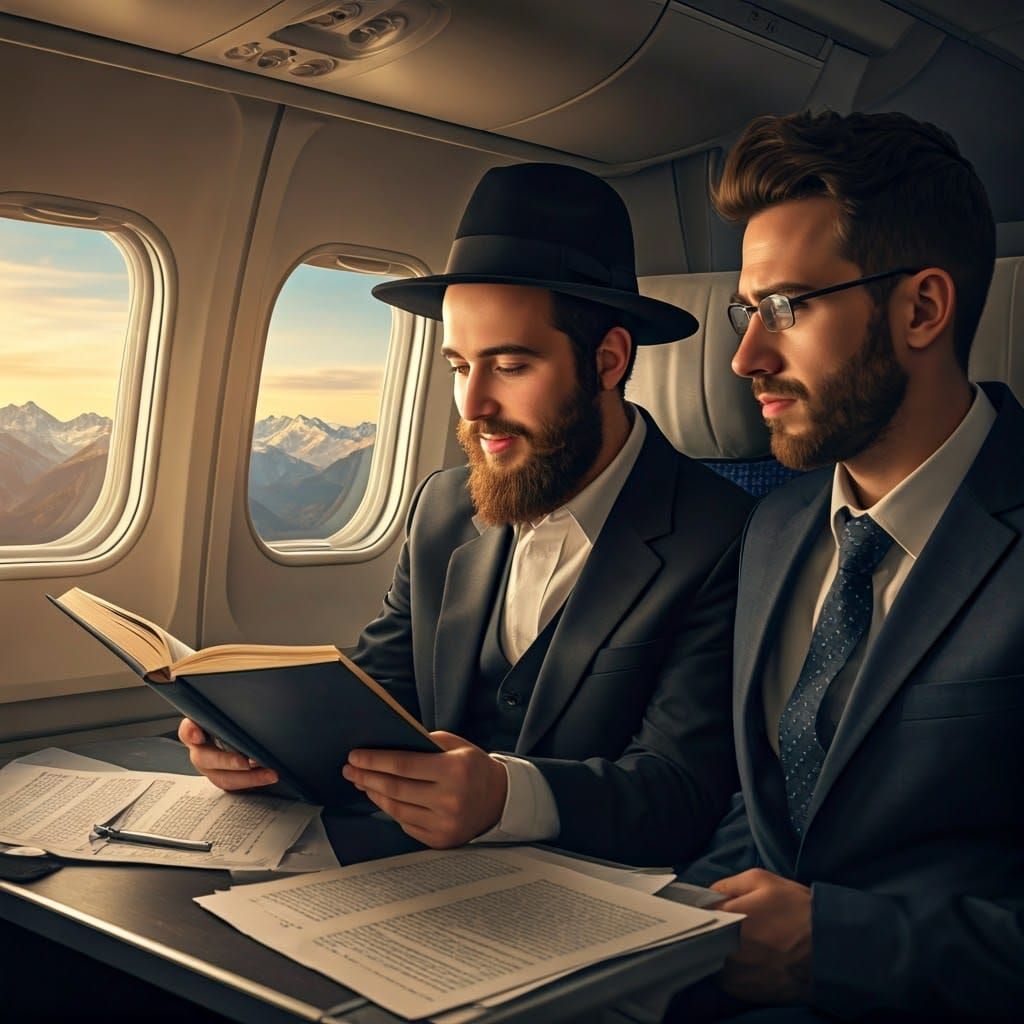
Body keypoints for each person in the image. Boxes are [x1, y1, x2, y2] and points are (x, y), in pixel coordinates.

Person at [179, 162, 754, 864]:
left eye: (510, 367)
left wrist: (506, 797)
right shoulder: (442, 508)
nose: (474, 406)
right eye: (459, 366)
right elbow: (379, 700)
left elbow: (682, 792)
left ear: (607, 361)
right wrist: (258, 743)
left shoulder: (727, 536)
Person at [666, 111, 1024, 1021]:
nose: (746, 355)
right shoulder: (778, 526)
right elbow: (776, 815)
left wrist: (842, 947)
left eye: (786, 307)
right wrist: (646, 943)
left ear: (921, 308)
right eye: (746, 312)